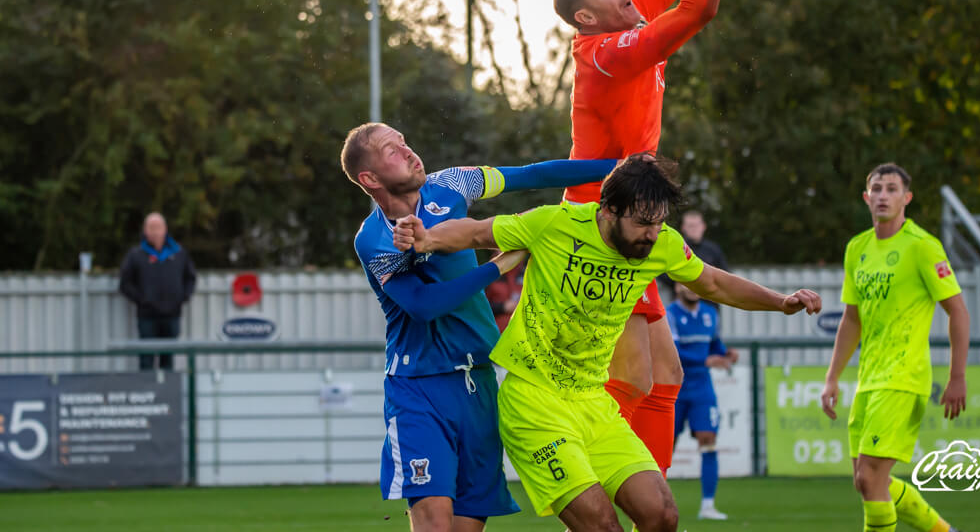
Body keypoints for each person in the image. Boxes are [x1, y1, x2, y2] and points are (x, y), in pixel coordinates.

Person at [392, 155, 821, 531]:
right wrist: (427, 238)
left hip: (594, 404)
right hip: (535, 404)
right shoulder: (555, 224)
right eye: (642, 223)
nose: (652, 235)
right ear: (608, 208)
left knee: (661, 515)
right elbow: (477, 232)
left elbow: (712, 281)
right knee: (600, 526)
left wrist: (780, 302)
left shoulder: (661, 245)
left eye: (659, 222)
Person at [553, 0, 750, 473]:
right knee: (634, 382)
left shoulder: (624, 22)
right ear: (587, 16)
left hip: (627, 219)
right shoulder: (606, 52)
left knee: (666, 374)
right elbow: (697, 9)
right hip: (598, 227)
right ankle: (593, 492)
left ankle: (648, 503)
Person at [341, 122, 617, 532]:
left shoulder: (453, 183)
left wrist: (620, 167)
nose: (409, 150)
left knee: (467, 527)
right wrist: (498, 266)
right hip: (418, 386)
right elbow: (423, 306)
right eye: (391, 150)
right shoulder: (373, 238)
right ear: (370, 178)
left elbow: (533, 175)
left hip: (479, 381)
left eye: (404, 141)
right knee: (436, 524)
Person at [820, 164, 968, 532]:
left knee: (871, 479)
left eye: (891, 189)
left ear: (907, 198)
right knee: (867, 482)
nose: (883, 195)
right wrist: (832, 377)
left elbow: (958, 311)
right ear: (866, 198)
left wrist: (957, 376)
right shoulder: (857, 248)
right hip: (869, 379)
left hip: (905, 378)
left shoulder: (922, 246)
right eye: (877, 189)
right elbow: (852, 318)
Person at [667, 281, 737, 521]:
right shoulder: (670, 314)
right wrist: (705, 360)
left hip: (702, 388)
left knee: (708, 440)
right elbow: (673, 351)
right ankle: (655, 504)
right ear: (677, 287)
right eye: (687, 284)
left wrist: (726, 353)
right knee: (665, 447)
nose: (693, 288)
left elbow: (715, 344)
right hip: (675, 388)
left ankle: (708, 505)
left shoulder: (710, 314)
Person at [118, 212, 197, 371]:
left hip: (172, 315)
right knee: (146, 359)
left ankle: (167, 393)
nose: (155, 231)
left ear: (165, 229)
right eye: (151, 227)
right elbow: (124, 283)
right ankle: (146, 393)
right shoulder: (136, 255)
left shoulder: (179, 253)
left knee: (168, 359)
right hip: (147, 316)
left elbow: (191, 278)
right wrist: (142, 300)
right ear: (144, 230)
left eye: (158, 227)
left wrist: (181, 298)